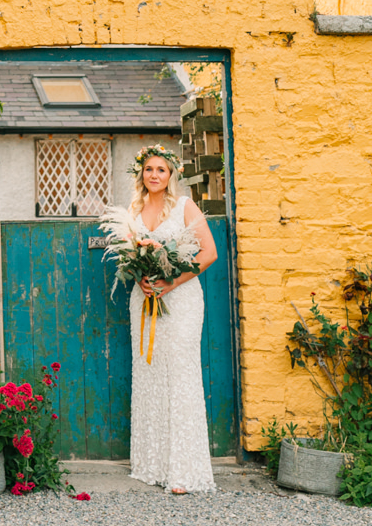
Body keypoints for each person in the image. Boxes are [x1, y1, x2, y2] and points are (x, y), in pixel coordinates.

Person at [126, 143, 218, 495]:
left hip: (180, 299)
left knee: (179, 375)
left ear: (171, 174)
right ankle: (152, 464)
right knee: (149, 371)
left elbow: (208, 252)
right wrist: (142, 279)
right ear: (142, 173)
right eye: (149, 169)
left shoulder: (184, 206)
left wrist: (170, 282)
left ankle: (183, 470)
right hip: (145, 300)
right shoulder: (133, 210)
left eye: (161, 170)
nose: (154, 175)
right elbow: (129, 254)